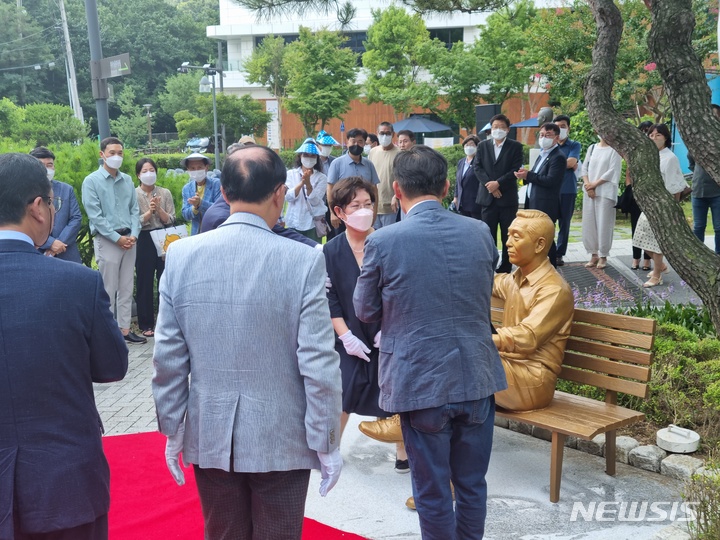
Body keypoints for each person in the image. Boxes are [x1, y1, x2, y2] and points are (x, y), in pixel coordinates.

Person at [152, 145, 343, 539]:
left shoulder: (181, 255)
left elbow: (168, 357)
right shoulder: (304, 259)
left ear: (223, 193)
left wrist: (172, 429)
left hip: (211, 431)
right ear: (279, 193)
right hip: (282, 433)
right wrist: (327, 439)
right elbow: (319, 361)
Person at [354, 145, 507, 539]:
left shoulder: (384, 241)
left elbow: (365, 311)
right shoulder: (479, 232)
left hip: (419, 380)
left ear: (397, 189)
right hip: (475, 376)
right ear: (445, 186)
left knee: (432, 490)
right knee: (472, 484)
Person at [0, 153, 128, 540]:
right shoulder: (78, 283)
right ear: (38, 207)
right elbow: (112, 367)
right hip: (67, 482)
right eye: (52, 202)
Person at [492, 210, 575, 412]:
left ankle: (411, 425)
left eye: (516, 237)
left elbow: (528, 337)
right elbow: (485, 283)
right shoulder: (514, 279)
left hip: (533, 380)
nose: (507, 242)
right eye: (508, 235)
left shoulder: (554, 290)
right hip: (507, 367)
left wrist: (476, 339)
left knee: (460, 363)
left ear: (539, 245)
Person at [81, 136, 145, 344]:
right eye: (112, 153)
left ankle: (124, 330)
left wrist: (134, 234)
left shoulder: (127, 180)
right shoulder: (91, 181)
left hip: (130, 239)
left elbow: (135, 210)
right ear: (102, 155)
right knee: (108, 289)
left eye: (120, 153)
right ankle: (106, 334)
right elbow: (95, 216)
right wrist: (117, 239)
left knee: (127, 286)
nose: (116, 157)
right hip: (108, 241)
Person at [632, 123, 690, 287]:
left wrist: (671, 208)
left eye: (658, 135)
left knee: (657, 242)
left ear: (665, 138)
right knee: (640, 238)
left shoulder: (670, 157)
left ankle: (656, 275)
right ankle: (661, 265)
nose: (654, 138)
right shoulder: (649, 155)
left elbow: (674, 185)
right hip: (649, 202)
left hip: (663, 204)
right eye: (651, 135)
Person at [473, 114, 524, 272]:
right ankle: (490, 264)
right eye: (495, 127)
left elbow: (515, 169)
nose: (498, 130)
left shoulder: (515, 146)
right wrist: (491, 186)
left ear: (508, 129)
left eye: (502, 127)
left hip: (507, 198)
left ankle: (507, 265)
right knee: (488, 234)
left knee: (507, 234)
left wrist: (498, 184)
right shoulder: (482, 146)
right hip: (487, 198)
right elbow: (477, 167)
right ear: (491, 128)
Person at [515, 122, 567, 267]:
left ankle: (551, 269)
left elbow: (551, 180)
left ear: (556, 137)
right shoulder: (543, 154)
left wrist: (528, 175)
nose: (543, 138)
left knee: (546, 238)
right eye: (542, 135)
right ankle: (540, 267)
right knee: (537, 237)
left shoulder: (558, 157)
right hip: (534, 202)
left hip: (546, 204)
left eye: (548, 135)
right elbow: (537, 176)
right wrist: (524, 176)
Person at [134, 158, 176, 338]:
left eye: (152, 170)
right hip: (144, 238)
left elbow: (171, 219)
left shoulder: (164, 193)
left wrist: (158, 209)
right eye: (144, 171)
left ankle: (165, 320)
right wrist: (149, 212)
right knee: (144, 280)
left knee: (165, 279)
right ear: (138, 175)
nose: (149, 174)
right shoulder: (133, 194)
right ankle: (146, 323)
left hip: (163, 236)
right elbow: (134, 221)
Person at [29, 146, 83, 263]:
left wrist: (58, 244)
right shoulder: (24, 191)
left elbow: (76, 218)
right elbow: (25, 222)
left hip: (66, 251)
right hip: (37, 252)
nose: (47, 169)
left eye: (50, 165)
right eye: (42, 165)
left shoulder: (66, 189)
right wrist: (50, 243)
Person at [580, 136, 622, 269]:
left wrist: (594, 185)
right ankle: (593, 254)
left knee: (604, 224)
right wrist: (588, 185)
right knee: (589, 223)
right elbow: (584, 168)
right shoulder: (592, 148)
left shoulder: (614, 150)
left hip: (605, 192)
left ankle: (603, 255)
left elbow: (612, 171)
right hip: (589, 192)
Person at [326, 128, 380, 231]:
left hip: (364, 213)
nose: (356, 144)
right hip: (343, 214)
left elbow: (374, 191)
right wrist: (333, 212)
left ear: (364, 144)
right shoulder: (337, 163)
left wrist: (374, 212)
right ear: (347, 142)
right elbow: (330, 189)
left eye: (360, 141)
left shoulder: (369, 165)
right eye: (353, 141)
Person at [688, 104, 720, 254]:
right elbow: (691, 162)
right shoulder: (697, 139)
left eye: (714, 116)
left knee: (719, 227)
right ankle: (698, 256)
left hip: (717, 192)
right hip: (698, 190)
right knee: (698, 226)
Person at [284, 138, 328, 242]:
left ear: (317, 157)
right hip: (293, 222)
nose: (309, 158)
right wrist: (302, 183)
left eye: (312, 155)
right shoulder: (291, 174)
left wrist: (308, 185)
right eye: (306, 155)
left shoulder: (321, 177)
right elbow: (288, 197)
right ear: (300, 156)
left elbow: (315, 201)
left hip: (312, 223)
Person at [553, 115, 582, 266]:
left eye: (563, 126)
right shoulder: (550, 144)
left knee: (564, 223)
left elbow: (572, 162)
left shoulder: (574, 145)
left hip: (567, 189)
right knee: (548, 222)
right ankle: (549, 252)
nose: (560, 129)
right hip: (550, 189)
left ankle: (559, 254)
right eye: (557, 126)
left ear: (568, 128)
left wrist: (552, 164)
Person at [625, 121, 655, 270]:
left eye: (647, 131)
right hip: (636, 194)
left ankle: (647, 260)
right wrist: (629, 188)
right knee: (635, 227)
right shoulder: (634, 150)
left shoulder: (655, 151)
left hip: (651, 195)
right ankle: (635, 258)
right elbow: (628, 173)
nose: (645, 134)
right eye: (642, 131)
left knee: (649, 228)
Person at [368, 121, 400, 229]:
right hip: (374, 206)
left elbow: (403, 178)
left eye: (387, 133)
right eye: (382, 133)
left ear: (393, 134)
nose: (384, 136)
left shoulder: (400, 154)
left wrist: (396, 196)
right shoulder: (373, 152)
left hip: (391, 206)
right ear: (377, 133)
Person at [180, 153, 221, 235]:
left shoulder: (216, 184)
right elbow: (185, 214)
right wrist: (194, 208)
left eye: (199, 167)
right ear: (188, 170)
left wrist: (200, 203)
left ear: (206, 167)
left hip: (214, 232)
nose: (196, 171)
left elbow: (219, 209)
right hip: (196, 233)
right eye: (192, 168)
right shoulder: (187, 188)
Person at [452, 135, 482, 219]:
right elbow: (458, 182)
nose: (469, 147)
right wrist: (456, 197)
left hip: (475, 203)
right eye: (466, 145)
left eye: (472, 144)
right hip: (461, 203)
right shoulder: (461, 162)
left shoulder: (480, 162)